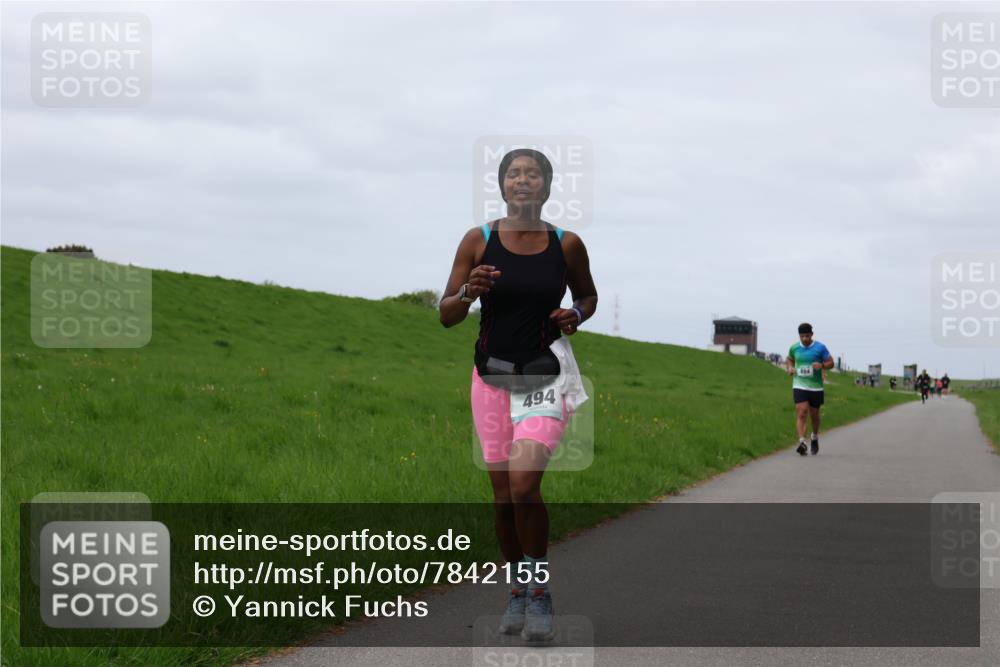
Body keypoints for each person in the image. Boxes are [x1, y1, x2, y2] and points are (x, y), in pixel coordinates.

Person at [439, 148, 598, 642]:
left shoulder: (566, 244)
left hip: (544, 377)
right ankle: (517, 591)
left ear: (547, 187)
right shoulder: (478, 240)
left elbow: (587, 294)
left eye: (533, 174)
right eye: (514, 173)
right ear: (502, 185)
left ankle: (540, 594)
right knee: (504, 499)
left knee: (526, 485)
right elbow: (446, 313)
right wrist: (469, 291)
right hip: (490, 379)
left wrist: (577, 313)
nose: (523, 180)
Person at [786, 323, 834, 455]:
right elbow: (789, 359)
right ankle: (802, 442)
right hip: (799, 384)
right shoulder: (794, 347)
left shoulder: (820, 347)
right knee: (801, 412)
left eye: (807, 336)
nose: (805, 339)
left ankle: (814, 436)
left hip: (816, 387)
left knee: (814, 415)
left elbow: (831, 363)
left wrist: (822, 365)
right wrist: (789, 368)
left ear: (812, 334)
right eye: (802, 336)